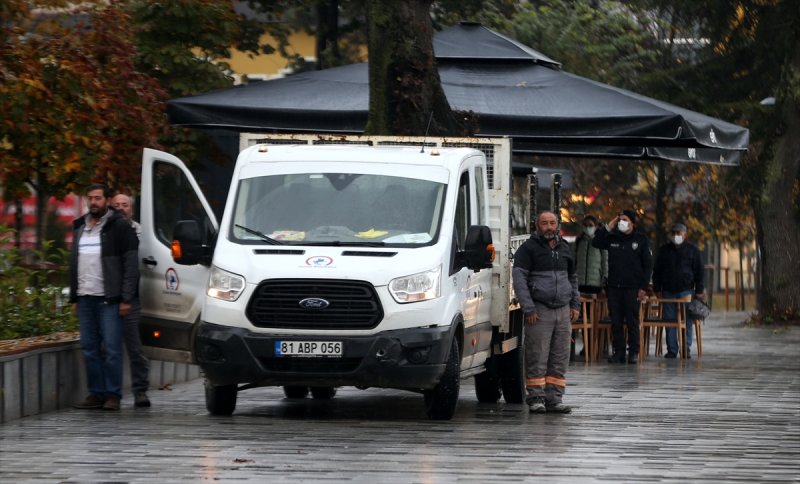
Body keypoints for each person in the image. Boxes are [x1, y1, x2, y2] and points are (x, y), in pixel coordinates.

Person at [69, 183, 139, 411]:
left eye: (98, 198)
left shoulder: (118, 227)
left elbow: (130, 266)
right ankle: (95, 393)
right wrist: (75, 298)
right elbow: (74, 264)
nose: (93, 202)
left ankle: (113, 395)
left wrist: (126, 298)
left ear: (106, 200)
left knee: (111, 349)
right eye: (90, 198)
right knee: (89, 347)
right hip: (86, 297)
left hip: (109, 298)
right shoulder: (80, 226)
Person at [512, 211, 580, 414]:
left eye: (552, 223)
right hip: (539, 311)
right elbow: (519, 281)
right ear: (537, 226)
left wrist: (575, 304)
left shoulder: (565, 248)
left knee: (560, 357)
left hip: (563, 310)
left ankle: (554, 399)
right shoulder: (528, 249)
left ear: (558, 225)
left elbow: (573, 279)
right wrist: (528, 307)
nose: (549, 227)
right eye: (544, 223)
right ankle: (536, 399)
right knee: (537, 355)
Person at [592, 210, 652, 364]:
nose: (621, 223)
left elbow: (647, 265)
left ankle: (633, 352)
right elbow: (596, 242)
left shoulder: (641, 240)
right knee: (616, 321)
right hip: (614, 287)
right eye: (619, 220)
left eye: (625, 220)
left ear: (632, 223)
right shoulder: (613, 237)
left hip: (633, 287)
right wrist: (608, 226)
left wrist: (643, 287)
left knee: (632, 321)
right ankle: (619, 352)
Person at [111, 193, 151, 406]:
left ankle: (140, 390)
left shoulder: (143, 233)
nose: (120, 208)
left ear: (132, 209)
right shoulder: (105, 232)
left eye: (124, 205)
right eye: (116, 205)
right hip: (109, 297)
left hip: (132, 297)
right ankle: (110, 393)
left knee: (135, 347)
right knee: (108, 348)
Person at [652, 222, 705, 359]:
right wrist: (657, 288)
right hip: (668, 290)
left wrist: (699, 290)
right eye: (674, 233)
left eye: (679, 233)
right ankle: (672, 349)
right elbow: (657, 270)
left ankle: (685, 348)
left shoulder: (693, 251)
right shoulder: (664, 250)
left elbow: (699, 271)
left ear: (685, 234)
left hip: (686, 291)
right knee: (670, 321)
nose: (676, 236)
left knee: (687, 321)